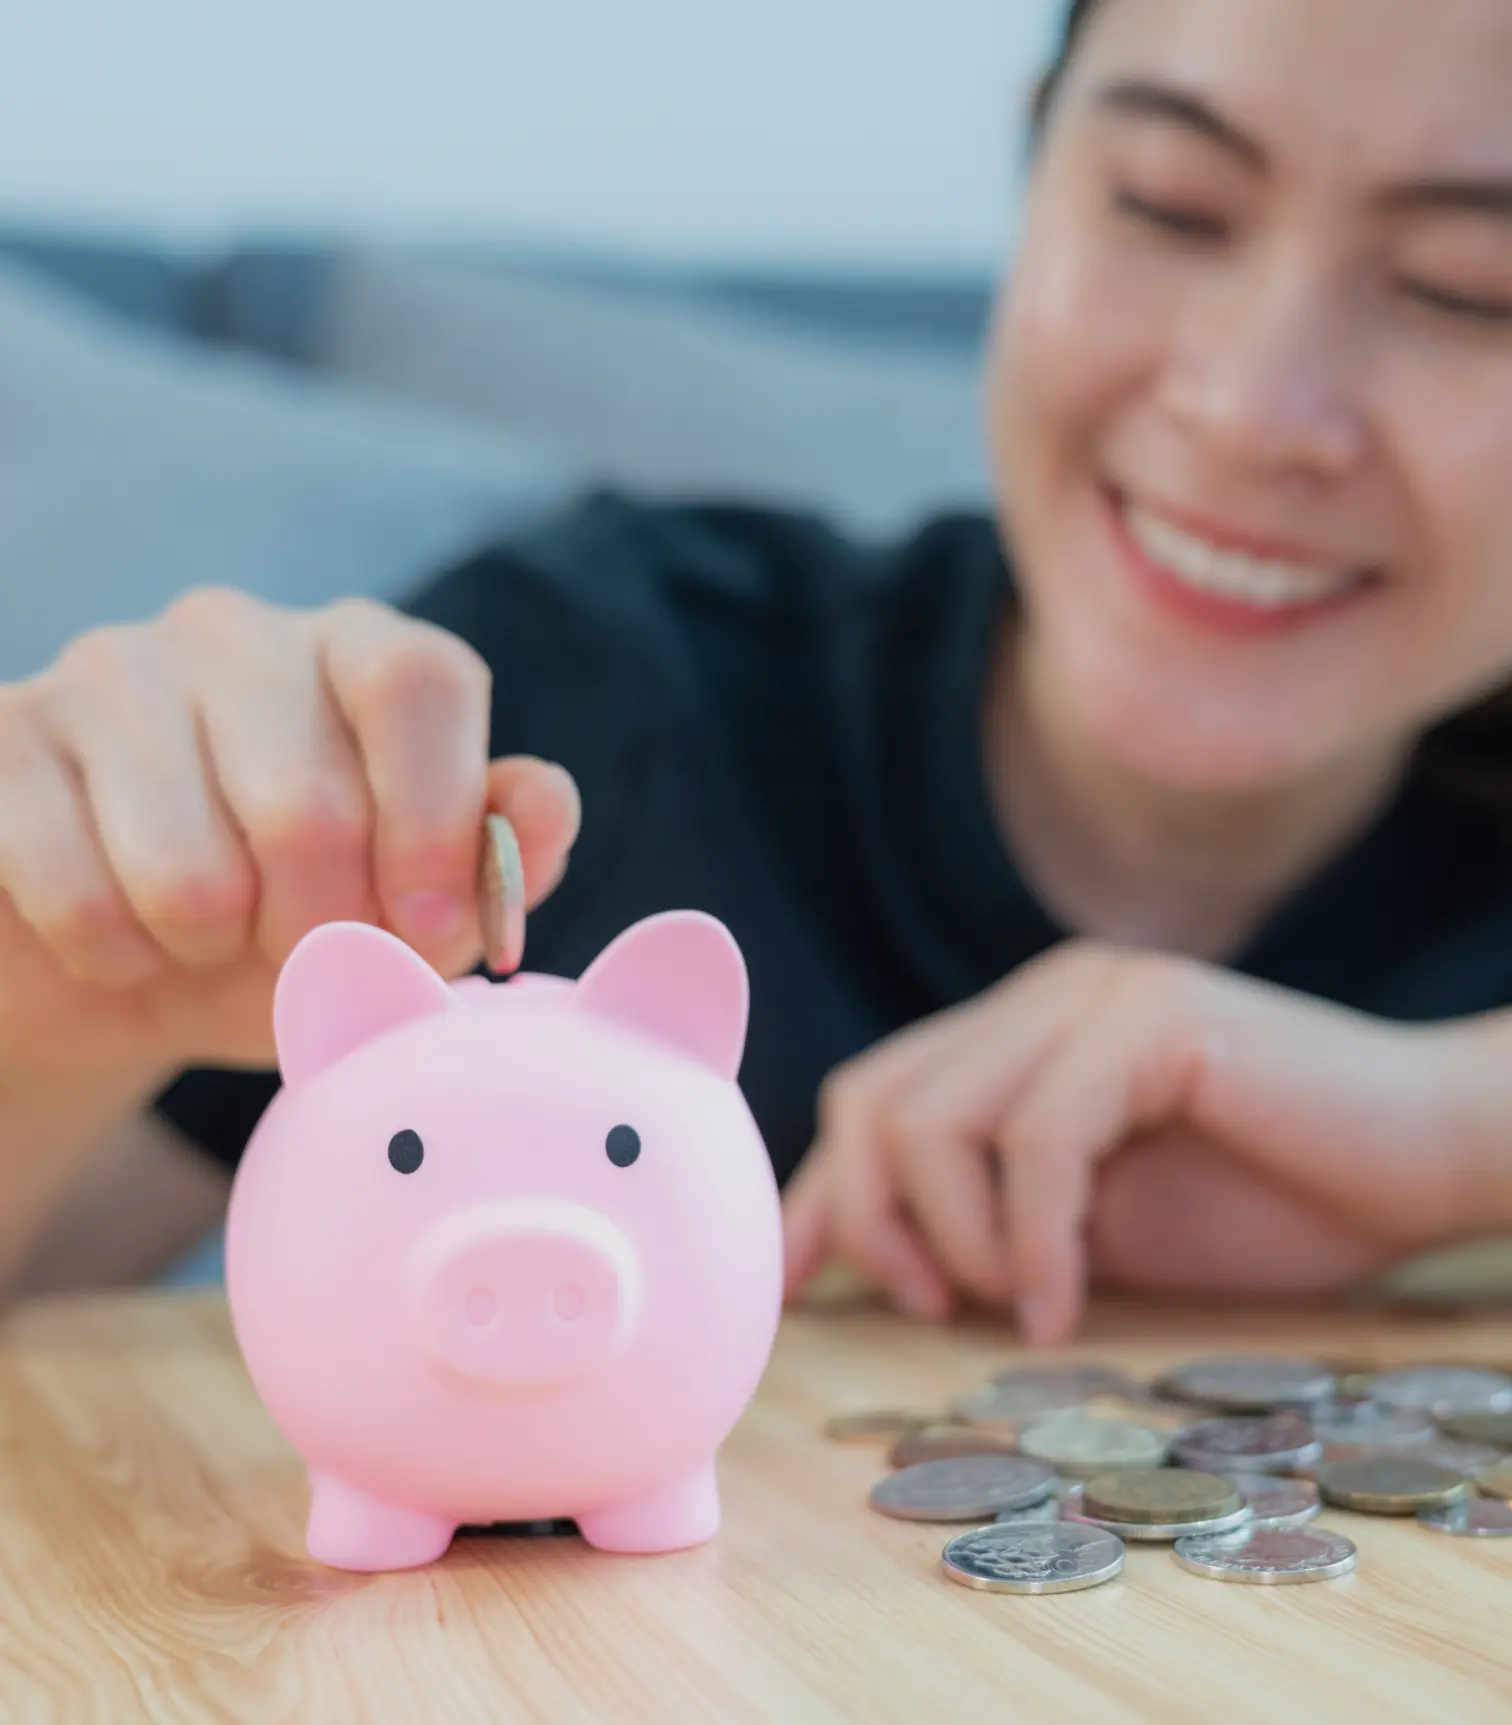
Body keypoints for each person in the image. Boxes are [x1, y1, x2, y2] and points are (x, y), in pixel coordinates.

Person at [7, 0, 1512, 1343]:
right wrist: (50, 1017)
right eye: (1168, 207)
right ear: (1036, 177)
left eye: (1469, 288)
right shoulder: (575, 708)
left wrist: (1453, 1132)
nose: (1248, 408)